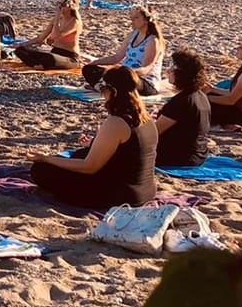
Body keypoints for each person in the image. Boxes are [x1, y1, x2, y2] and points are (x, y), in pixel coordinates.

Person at [29, 65, 158, 208]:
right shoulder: (145, 117)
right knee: (80, 153)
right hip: (146, 190)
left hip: (122, 196)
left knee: (41, 169)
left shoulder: (116, 122)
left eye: (102, 89)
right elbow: (130, 151)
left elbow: (89, 167)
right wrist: (93, 143)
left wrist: (47, 159)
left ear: (112, 92)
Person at [81, 5, 164, 94]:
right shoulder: (133, 35)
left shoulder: (152, 41)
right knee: (89, 69)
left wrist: (125, 71)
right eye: (131, 18)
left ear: (146, 20)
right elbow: (117, 57)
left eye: (136, 18)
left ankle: (105, 88)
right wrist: (95, 62)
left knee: (120, 76)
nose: (132, 21)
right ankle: (104, 88)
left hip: (144, 81)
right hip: (124, 73)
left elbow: (146, 69)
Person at [155, 48, 211, 167]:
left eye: (172, 68)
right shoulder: (200, 95)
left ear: (181, 74)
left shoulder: (181, 101)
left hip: (181, 157)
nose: (168, 70)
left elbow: (155, 132)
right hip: (199, 154)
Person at [15, 0, 82, 69]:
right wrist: (21, 44)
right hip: (55, 52)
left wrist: (57, 18)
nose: (60, 7)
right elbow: (40, 38)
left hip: (69, 57)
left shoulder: (75, 22)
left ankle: (41, 64)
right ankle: (37, 65)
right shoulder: (57, 19)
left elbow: (56, 36)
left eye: (63, 5)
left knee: (50, 58)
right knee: (21, 51)